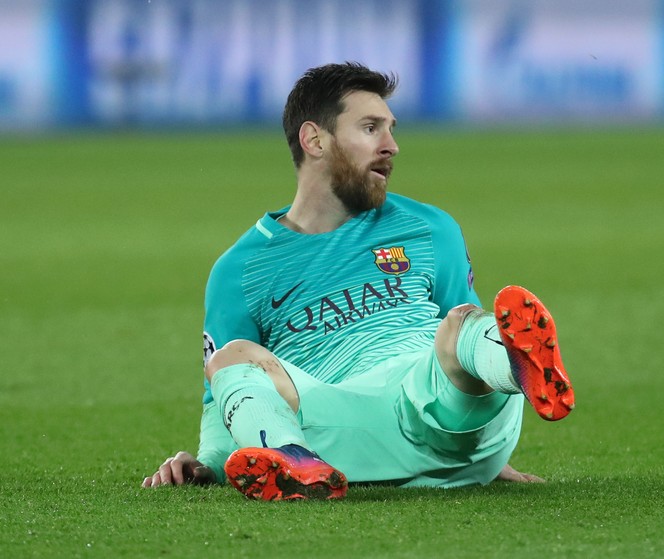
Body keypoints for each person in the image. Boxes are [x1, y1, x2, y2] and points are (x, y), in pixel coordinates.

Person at [141, 62, 575, 500]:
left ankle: (515, 370)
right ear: (314, 140)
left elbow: (461, 336)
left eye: (390, 129)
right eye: (371, 128)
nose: (392, 146)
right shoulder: (241, 269)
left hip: (440, 402)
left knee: (463, 324)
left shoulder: (430, 229)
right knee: (233, 357)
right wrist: (209, 464)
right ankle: (291, 459)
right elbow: (221, 396)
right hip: (342, 423)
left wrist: (491, 451)